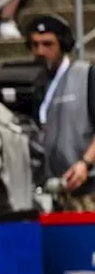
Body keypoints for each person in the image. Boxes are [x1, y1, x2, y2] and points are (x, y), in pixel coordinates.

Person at [28, 15, 95, 210]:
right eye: (35, 45)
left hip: (87, 188)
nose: (40, 51)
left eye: (48, 44)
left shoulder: (87, 76)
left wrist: (85, 163)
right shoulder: (35, 84)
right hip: (50, 189)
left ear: (63, 45)